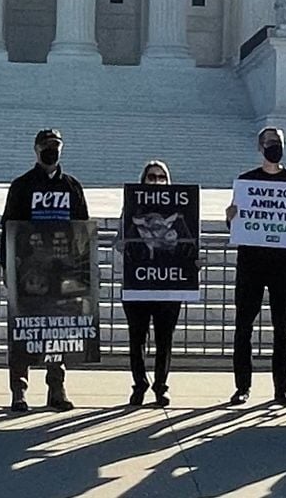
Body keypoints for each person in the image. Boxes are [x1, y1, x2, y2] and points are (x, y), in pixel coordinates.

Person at [225, 127, 286, 406]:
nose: (274, 146)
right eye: (269, 142)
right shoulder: (247, 182)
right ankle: (242, 387)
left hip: (282, 264)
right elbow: (236, 225)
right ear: (260, 147)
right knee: (244, 326)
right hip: (251, 263)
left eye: (278, 142)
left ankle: (282, 388)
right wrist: (230, 217)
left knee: (282, 330)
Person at [1, 129, 89, 412]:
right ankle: (19, 390)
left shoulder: (72, 186)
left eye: (56, 146)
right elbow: (8, 229)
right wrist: (7, 266)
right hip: (29, 272)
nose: (52, 150)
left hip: (62, 272)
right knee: (22, 330)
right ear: (36, 149)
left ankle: (56, 388)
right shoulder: (22, 186)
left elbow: (82, 230)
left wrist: (83, 270)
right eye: (46, 146)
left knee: (59, 331)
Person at [121, 160, 186, 407]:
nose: (156, 181)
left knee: (164, 339)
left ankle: (161, 386)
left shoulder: (181, 210)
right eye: (151, 177)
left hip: (169, 285)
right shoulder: (131, 208)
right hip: (138, 283)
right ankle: (139, 385)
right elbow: (120, 241)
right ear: (143, 180)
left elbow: (188, 243)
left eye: (161, 177)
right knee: (137, 338)